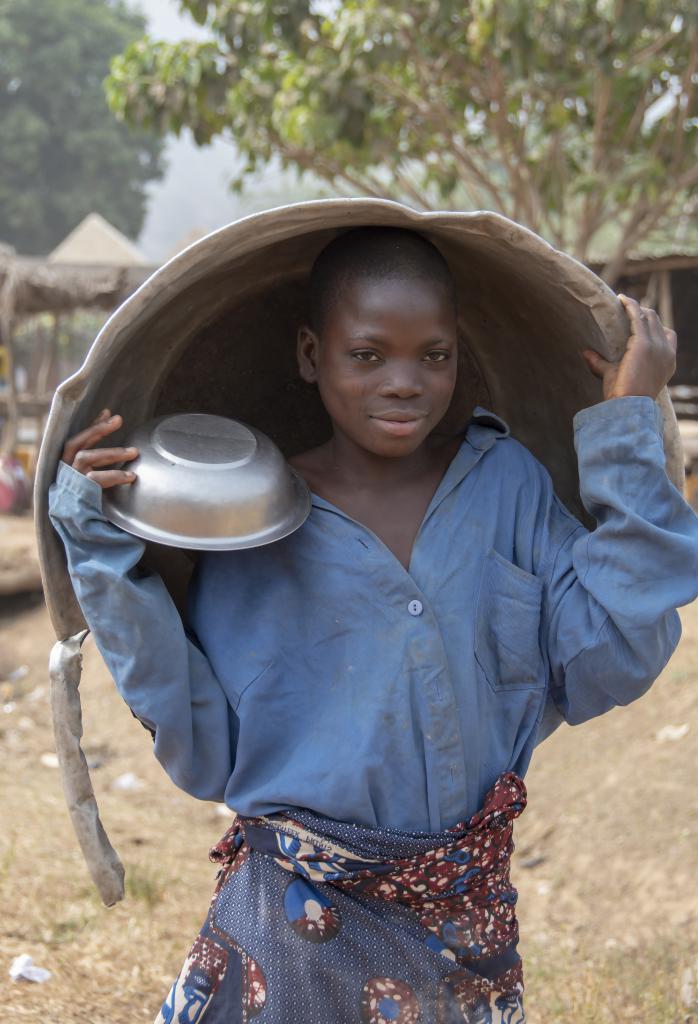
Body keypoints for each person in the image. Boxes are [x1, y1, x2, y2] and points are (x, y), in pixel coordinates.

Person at [48, 228, 697, 1024]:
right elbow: (202, 748)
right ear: (311, 352)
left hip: (464, 935)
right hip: (292, 947)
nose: (405, 382)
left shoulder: (506, 487)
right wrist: (101, 546)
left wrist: (628, 427)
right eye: (367, 355)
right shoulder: (245, 524)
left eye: (434, 354)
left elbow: (614, 658)